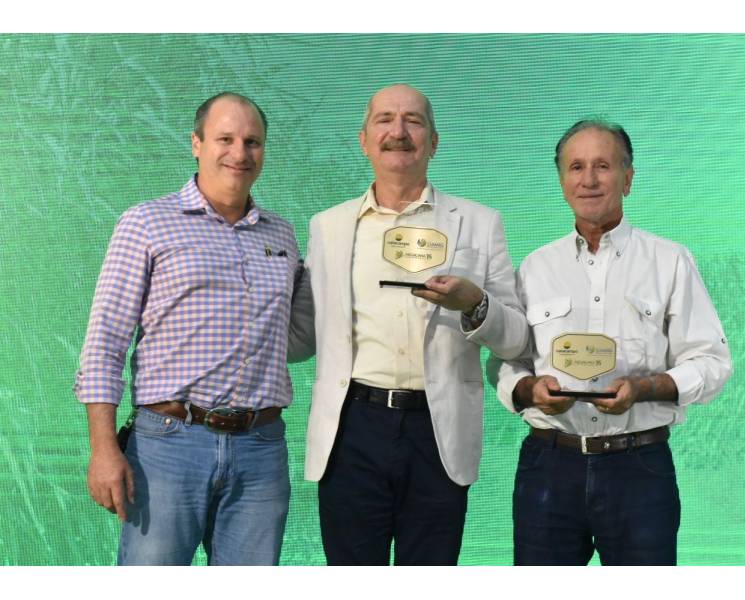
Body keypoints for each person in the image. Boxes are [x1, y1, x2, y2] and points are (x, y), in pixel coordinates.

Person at [74, 92, 313, 565]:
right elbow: (105, 343)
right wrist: (103, 450)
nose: (239, 153)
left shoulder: (281, 235)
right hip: (167, 445)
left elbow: (289, 338)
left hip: (261, 448)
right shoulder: (146, 223)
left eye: (252, 142)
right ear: (197, 143)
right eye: (225, 139)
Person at [302, 84, 528, 565]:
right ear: (364, 140)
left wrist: (475, 304)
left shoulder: (480, 223)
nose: (398, 132)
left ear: (434, 142)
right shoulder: (328, 226)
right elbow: (304, 329)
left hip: (438, 430)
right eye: (384, 119)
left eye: (414, 121)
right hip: (350, 429)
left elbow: (515, 339)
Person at [491, 119, 733, 565]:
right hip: (549, 467)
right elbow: (507, 361)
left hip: (639, 469)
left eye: (602, 166)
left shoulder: (670, 261)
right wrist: (528, 390)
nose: (589, 179)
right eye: (576, 167)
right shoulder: (535, 267)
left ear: (628, 178)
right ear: (562, 181)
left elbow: (712, 361)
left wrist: (645, 388)